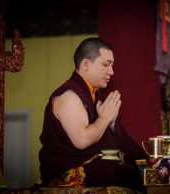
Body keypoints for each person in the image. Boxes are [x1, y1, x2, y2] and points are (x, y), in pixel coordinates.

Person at [38, 37, 149, 192]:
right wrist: (104, 118)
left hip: (97, 165)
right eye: (106, 64)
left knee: (137, 168)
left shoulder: (96, 96)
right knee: (118, 172)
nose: (112, 71)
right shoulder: (68, 96)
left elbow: (112, 137)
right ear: (86, 64)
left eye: (112, 65)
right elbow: (81, 140)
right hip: (69, 173)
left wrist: (112, 124)